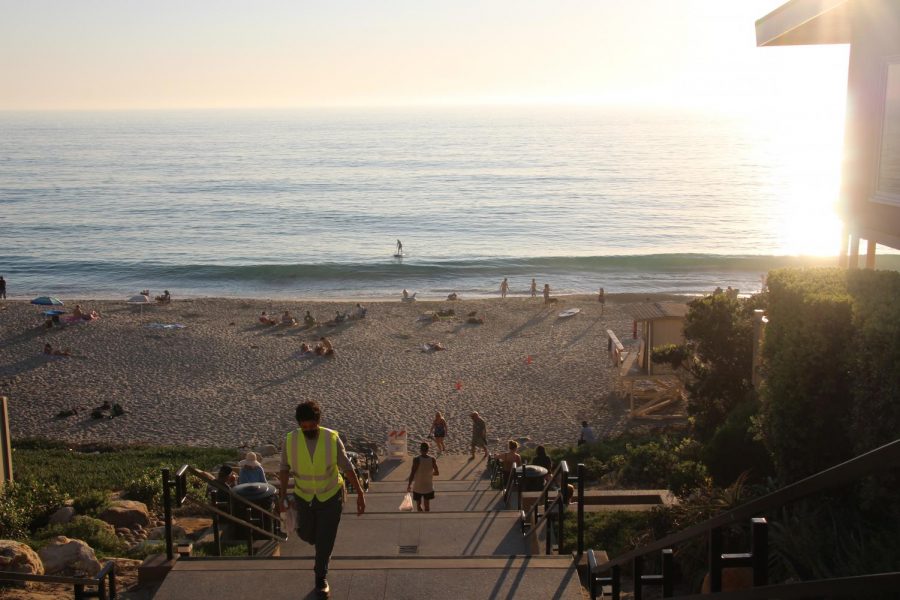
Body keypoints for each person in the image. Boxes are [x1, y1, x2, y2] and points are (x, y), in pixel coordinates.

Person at [278, 401, 366, 598]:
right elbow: (284, 468)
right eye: (304, 426)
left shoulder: (331, 438)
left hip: (331, 495)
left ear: (318, 421)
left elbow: (347, 467)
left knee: (325, 540)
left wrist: (360, 493)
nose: (308, 429)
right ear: (299, 424)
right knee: (309, 536)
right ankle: (315, 542)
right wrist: (282, 495)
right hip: (303, 496)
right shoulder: (290, 440)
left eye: (311, 425)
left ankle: (320, 577)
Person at [407, 442, 439, 512]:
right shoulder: (432, 459)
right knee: (427, 507)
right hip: (428, 487)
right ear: (428, 450)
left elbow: (412, 473)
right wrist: (430, 473)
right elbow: (437, 473)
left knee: (419, 506)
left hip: (418, 487)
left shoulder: (416, 459)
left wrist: (409, 485)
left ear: (420, 450)